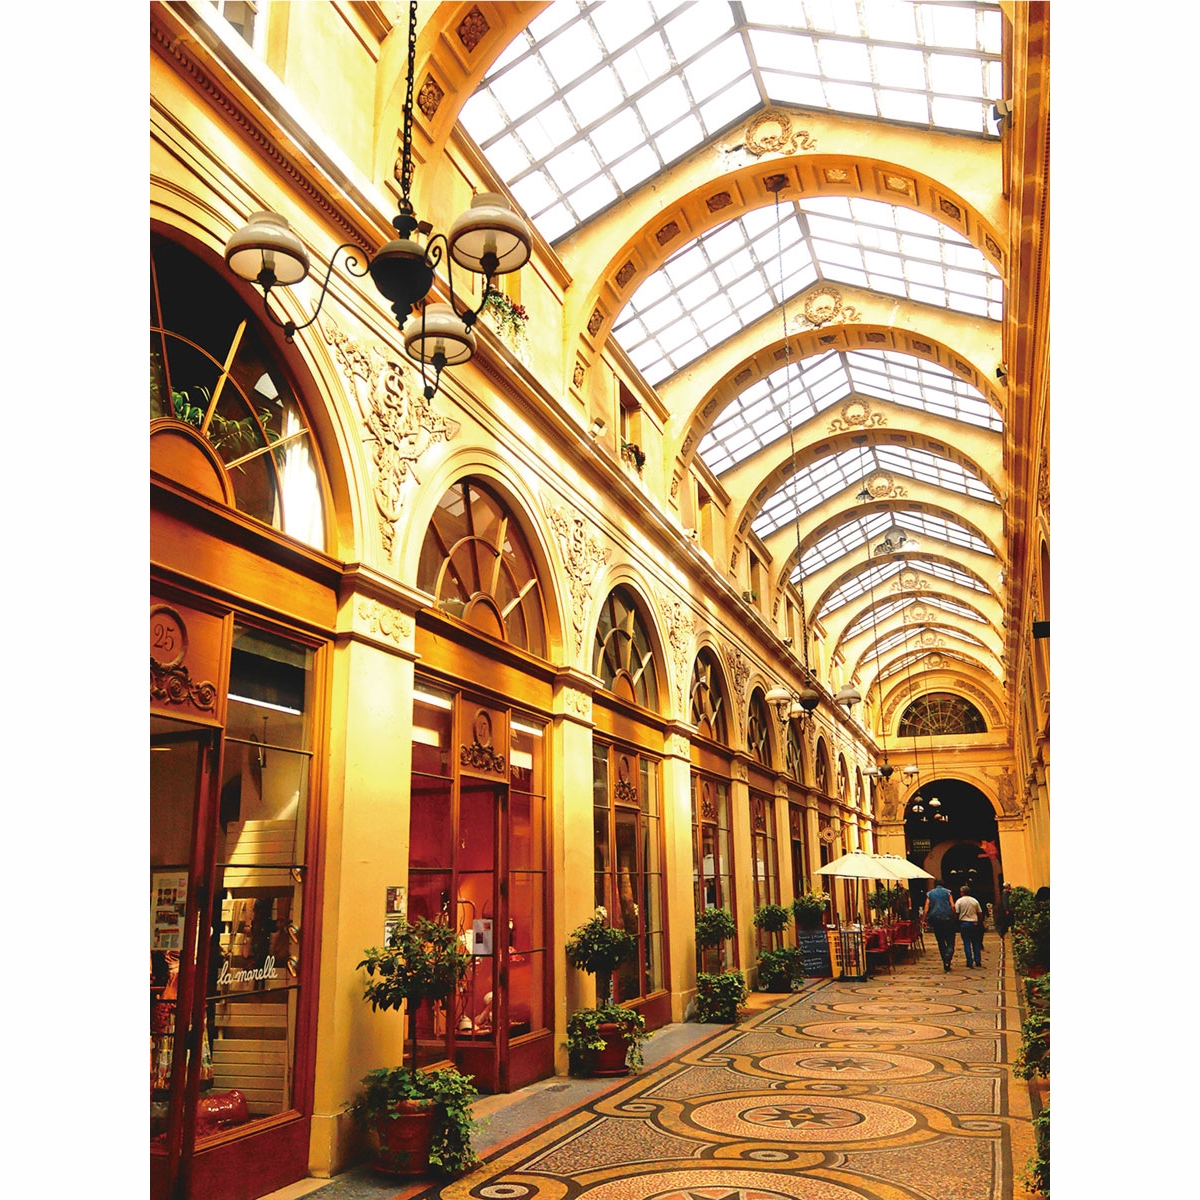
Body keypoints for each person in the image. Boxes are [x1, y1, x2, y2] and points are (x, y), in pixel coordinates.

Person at [923, 878, 958, 971]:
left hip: (936, 920)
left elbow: (926, 908)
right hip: (948, 919)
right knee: (950, 941)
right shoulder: (948, 892)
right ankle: (948, 955)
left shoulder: (930, 894)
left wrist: (924, 920)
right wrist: (955, 916)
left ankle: (945, 961)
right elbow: (953, 905)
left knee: (940, 941)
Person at [955, 885, 984, 968]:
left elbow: (956, 912)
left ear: (962, 893)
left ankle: (969, 961)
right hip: (974, 922)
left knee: (966, 942)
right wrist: (979, 922)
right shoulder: (974, 901)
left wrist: (956, 922)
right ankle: (977, 960)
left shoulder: (959, 901)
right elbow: (980, 912)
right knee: (976, 942)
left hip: (964, 923)